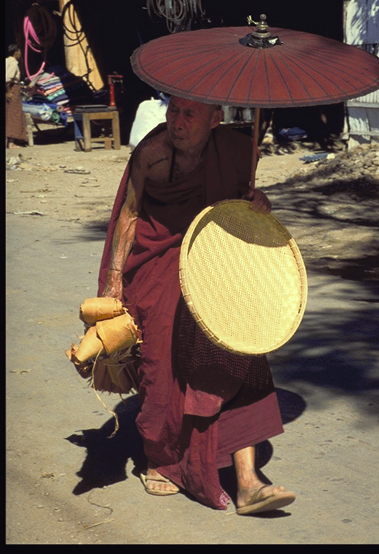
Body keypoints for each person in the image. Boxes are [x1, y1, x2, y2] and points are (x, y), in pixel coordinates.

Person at [98, 95, 296, 515]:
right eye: (173, 111)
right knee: (162, 364)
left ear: (215, 119)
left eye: (190, 114)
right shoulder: (151, 155)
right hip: (159, 263)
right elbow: (129, 216)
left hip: (212, 259)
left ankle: (248, 482)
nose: (177, 121)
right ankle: (161, 459)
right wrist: (114, 284)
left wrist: (259, 204)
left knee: (238, 350)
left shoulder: (238, 150)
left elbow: (241, 209)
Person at [6, 44, 28, 149]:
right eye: (19, 52)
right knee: (14, 115)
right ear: (16, 53)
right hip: (12, 90)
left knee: (9, 114)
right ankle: (11, 143)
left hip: (10, 89)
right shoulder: (13, 63)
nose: (20, 54)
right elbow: (7, 79)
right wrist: (8, 92)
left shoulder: (7, 61)